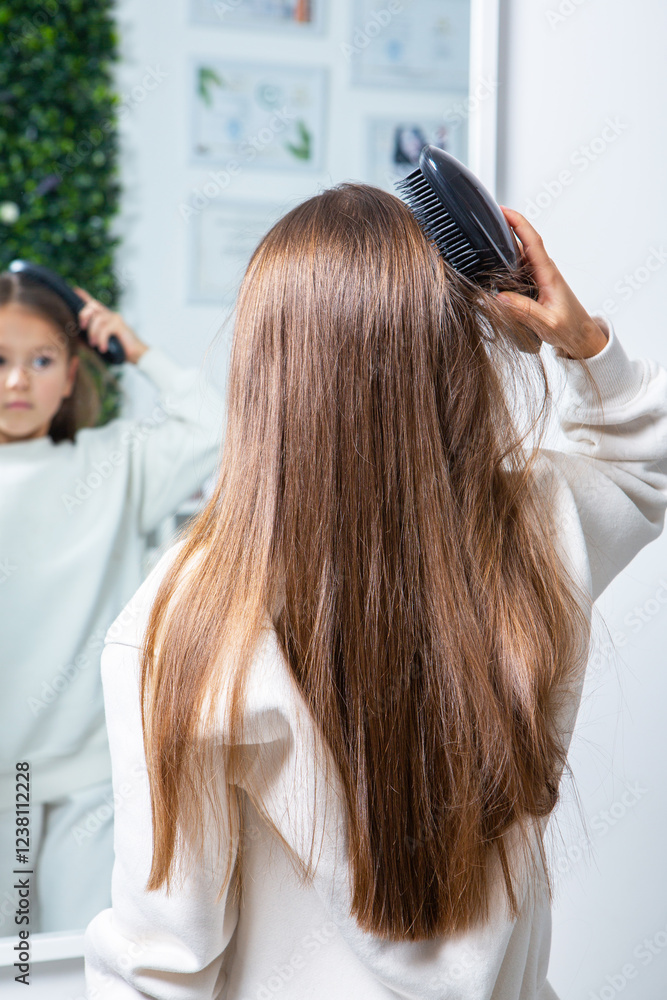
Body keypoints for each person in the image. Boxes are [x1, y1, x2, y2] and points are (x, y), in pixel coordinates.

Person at [83, 186, 667, 1000]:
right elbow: (643, 461)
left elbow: (160, 965)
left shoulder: (183, 619)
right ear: (451, 356)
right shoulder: (534, 531)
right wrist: (580, 340)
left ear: (262, 372)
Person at [0, 272, 224, 935]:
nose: (17, 382)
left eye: (40, 361)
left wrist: (139, 350)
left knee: (79, 956)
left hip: (90, 774)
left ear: (71, 375)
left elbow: (213, 426)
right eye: (0, 361)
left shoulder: (118, 461)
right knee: (9, 962)